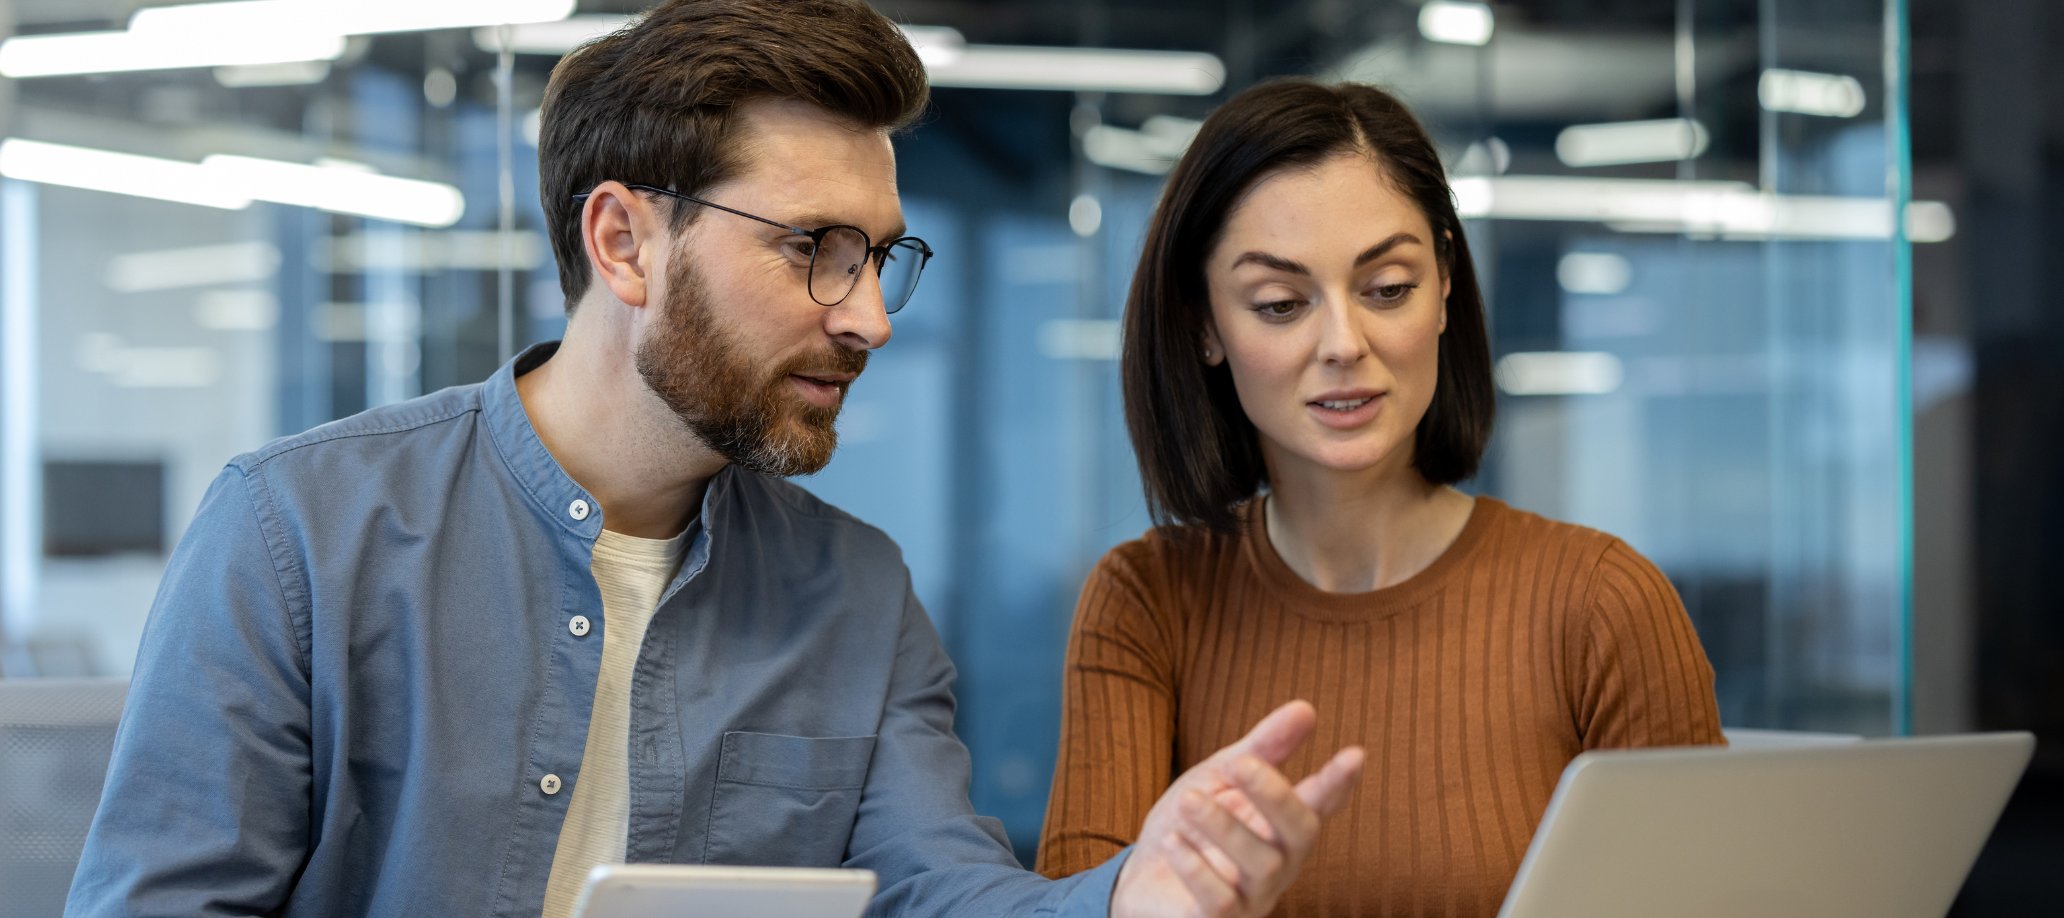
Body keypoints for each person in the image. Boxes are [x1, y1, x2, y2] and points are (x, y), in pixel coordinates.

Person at [62, 5, 1367, 918]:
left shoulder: (856, 596)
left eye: (881, 254)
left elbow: (941, 893)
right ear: (626, 242)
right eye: (815, 247)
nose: (871, 316)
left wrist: (1135, 893)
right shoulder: (296, 535)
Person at [1035, 80, 1726, 917]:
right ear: (1205, 327)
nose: (1343, 345)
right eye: (1281, 304)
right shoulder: (1146, 602)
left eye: (1388, 287)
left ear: (1443, 286)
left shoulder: (1602, 603)